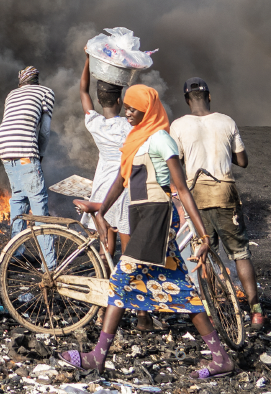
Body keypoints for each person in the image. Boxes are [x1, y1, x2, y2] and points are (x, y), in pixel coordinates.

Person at [66, 85, 234, 379]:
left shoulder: (161, 140)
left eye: (134, 109)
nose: (128, 113)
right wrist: (100, 209)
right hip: (141, 214)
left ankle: (96, 357)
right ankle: (221, 360)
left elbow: (181, 189)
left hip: (157, 217)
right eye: (127, 108)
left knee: (119, 282)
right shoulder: (134, 139)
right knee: (182, 292)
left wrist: (203, 235)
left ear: (149, 110)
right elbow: (121, 180)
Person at [170, 77, 259, 327]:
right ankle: (256, 311)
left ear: (187, 100)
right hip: (225, 191)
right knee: (241, 254)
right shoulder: (227, 121)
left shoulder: (178, 126)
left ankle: (214, 309)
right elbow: (242, 161)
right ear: (209, 97)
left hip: (196, 194)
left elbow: (176, 161)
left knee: (204, 252)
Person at [78, 58, 131, 257]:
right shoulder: (129, 126)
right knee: (127, 243)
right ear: (120, 100)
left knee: (105, 243)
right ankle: (126, 282)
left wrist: (87, 61)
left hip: (101, 188)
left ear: (99, 101)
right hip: (123, 189)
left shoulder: (95, 123)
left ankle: (105, 279)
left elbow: (83, 91)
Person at [0, 66, 56, 237]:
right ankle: (50, 264)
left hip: (3, 145)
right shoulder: (46, 92)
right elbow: (44, 131)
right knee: (39, 205)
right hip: (24, 148)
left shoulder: (11, 94)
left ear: (21, 82)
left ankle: (15, 255)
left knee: (19, 198)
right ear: (37, 80)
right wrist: (40, 156)